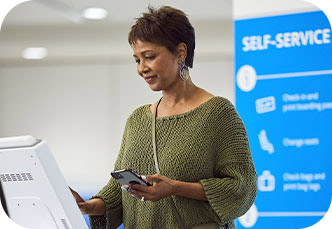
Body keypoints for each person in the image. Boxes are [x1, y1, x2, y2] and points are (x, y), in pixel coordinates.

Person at [71, 5, 257, 229]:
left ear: (180, 53)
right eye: (137, 60)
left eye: (149, 57)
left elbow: (242, 187)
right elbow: (118, 190)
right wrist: (87, 206)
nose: (142, 68)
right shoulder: (137, 119)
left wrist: (176, 187)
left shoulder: (218, 113)